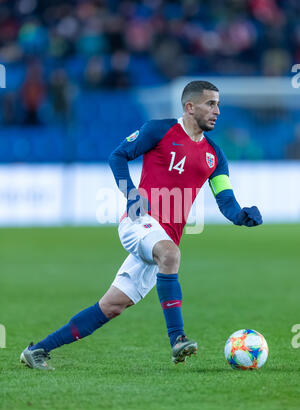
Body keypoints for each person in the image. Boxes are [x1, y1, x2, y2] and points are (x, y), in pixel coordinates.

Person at [20, 80, 263, 370]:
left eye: (218, 104)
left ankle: (37, 351)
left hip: (163, 239)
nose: (217, 111)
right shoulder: (158, 130)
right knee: (171, 255)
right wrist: (131, 193)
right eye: (211, 103)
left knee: (111, 306)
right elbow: (118, 156)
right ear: (189, 106)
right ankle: (177, 340)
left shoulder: (215, 155)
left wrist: (242, 216)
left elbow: (226, 201)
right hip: (139, 223)